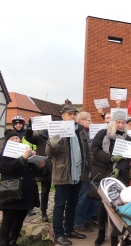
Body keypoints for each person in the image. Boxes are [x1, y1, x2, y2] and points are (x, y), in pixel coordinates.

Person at [46, 105, 92, 246]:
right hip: (63, 174)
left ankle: (69, 229)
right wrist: (53, 143)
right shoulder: (58, 130)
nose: (71, 116)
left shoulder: (81, 131)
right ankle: (59, 234)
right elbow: (49, 153)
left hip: (78, 173)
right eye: (69, 114)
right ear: (63, 116)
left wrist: (88, 168)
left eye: (73, 114)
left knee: (73, 203)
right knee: (60, 205)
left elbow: (88, 151)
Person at [91, 110, 131, 246]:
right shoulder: (103, 134)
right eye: (118, 122)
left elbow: (128, 158)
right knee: (103, 205)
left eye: (123, 122)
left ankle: (115, 235)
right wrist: (111, 158)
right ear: (113, 122)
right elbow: (95, 150)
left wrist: (118, 168)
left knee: (117, 206)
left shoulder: (128, 138)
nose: (121, 125)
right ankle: (101, 232)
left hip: (119, 176)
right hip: (103, 172)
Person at [0, 130, 41, 246]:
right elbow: (6, 168)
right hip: (11, 191)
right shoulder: (4, 154)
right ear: (7, 142)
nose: (16, 140)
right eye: (13, 139)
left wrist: (38, 163)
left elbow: (35, 171)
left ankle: (13, 241)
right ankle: (3, 242)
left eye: (17, 138)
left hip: (25, 192)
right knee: (8, 220)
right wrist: (23, 158)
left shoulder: (25, 152)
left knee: (20, 219)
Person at [24, 122, 51, 223]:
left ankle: (58, 212)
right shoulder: (40, 137)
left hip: (57, 167)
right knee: (45, 191)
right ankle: (43, 212)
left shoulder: (57, 136)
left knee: (60, 192)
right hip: (45, 168)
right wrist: (29, 128)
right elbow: (28, 138)